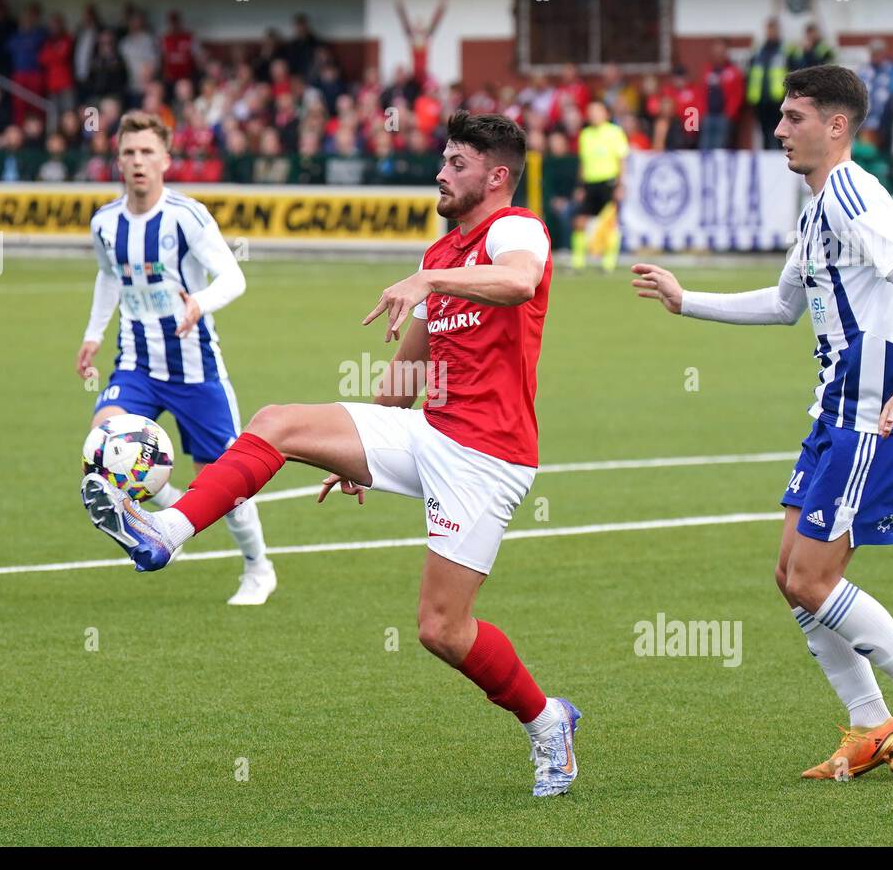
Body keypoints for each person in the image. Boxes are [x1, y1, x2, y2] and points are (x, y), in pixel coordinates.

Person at [80, 111, 582, 797]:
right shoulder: (440, 255)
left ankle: (548, 721)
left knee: (441, 629)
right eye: (442, 157)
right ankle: (165, 532)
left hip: (487, 458)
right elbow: (416, 356)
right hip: (429, 433)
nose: (440, 171)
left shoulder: (515, 229)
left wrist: (427, 286)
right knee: (278, 423)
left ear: (496, 176)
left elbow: (521, 280)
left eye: (456, 162)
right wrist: (363, 447)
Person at [631, 65, 893, 782]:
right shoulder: (817, 207)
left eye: (793, 118)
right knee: (790, 575)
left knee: (813, 580)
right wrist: (686, 300)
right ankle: (871, 726)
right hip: (833, 416)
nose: (778, 129)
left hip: (869, 419)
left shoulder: (851, 193)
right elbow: (786, 305)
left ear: (836, 126)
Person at [77, 112, 276, 606]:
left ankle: (258, 568)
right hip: (135, 364)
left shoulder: (186, 216)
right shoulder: (104, 222)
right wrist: (92, 335)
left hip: (195, 370)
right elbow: (109, 277)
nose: (137, 161)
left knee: (228, 488)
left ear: (166, 160)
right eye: (128, 152)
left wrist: (199, 303)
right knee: (101, 452)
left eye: (147, 152)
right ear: (118, 161)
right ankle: (162, 522)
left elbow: (233, 277)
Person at [573, 100, 629, 272]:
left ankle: (608, 262)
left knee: (610, 223)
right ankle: (578, 262)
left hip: (608, 182)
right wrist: (580, 185)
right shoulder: (585, 134)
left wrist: (621, 185)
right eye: (590, 111)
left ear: (606, 114)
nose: (593, 115)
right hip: (590, 184)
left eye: (597, 111)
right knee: (579, 222)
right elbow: (583, 162)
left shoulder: (615, 132)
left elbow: (621, 161)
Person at [747, 17, 788, 148]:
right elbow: (751, 74)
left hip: (779, 100)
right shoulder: (759, 52)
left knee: (779, 134)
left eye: (774, 29)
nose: (771, 32)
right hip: (761, 101)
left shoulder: (784, 51)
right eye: (769, 29)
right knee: (764, 134)